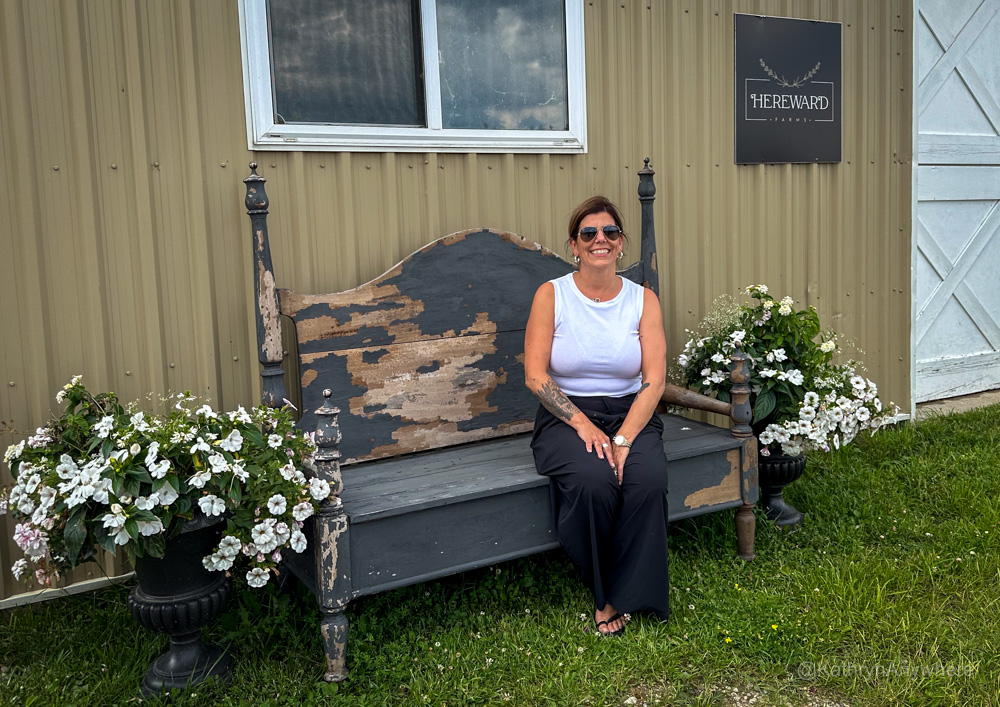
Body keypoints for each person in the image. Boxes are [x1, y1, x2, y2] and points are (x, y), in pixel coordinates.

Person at [524, 195, 669, 637]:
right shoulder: (552, 295)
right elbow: (535, 375)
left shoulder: (643, 300)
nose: (599, 240)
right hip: (566, 416)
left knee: (646, 478)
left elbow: (655, 381)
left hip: (632, 413)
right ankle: (604, 594)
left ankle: (635, 590)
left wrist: (623, 439)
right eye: (589, 234)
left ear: (621, 244)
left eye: (609, 233)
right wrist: (584, 424)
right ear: (574, 245)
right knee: (594, 480)